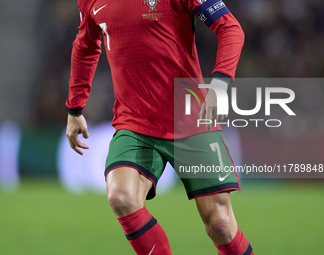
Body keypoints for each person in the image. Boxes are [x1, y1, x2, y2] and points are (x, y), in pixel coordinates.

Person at [65, 0, 253, 254]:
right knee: (120, 196)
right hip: (134, 123)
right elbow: (85, 46)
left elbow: (230, 28)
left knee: (220, 224)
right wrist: (75, 108)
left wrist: (219, 84)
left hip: (190, 119)